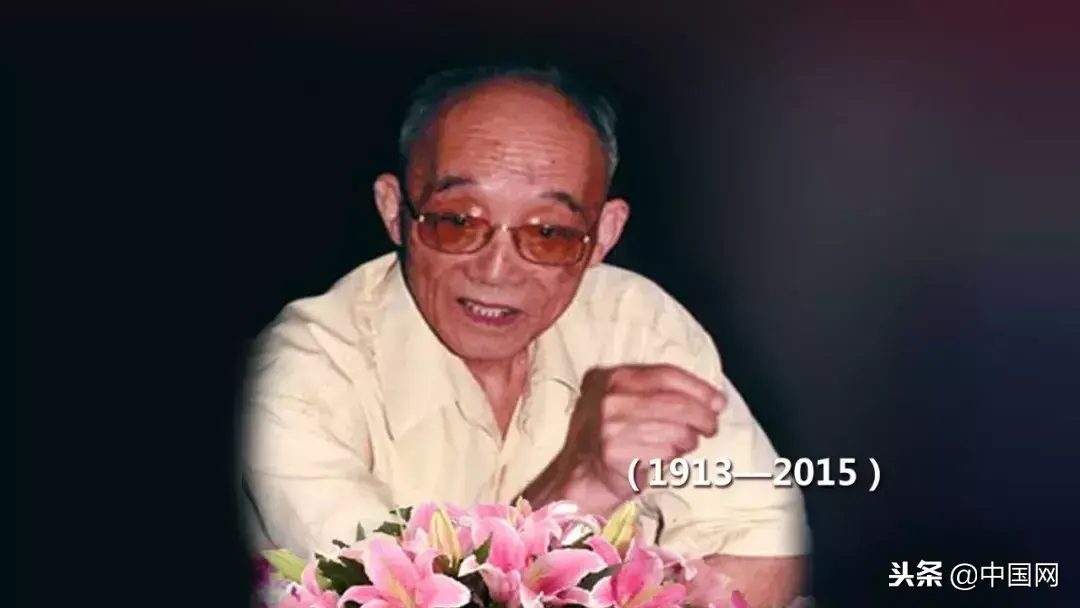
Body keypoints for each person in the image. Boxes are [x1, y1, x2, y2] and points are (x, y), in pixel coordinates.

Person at [243, 64, 809, 606]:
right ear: (395, 212)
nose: (496, 272)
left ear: (603, 235)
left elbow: (766, 545)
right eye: (457, 221)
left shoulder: (635, 324)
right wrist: (579, 486)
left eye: (549, 233)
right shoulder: (297, 378)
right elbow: (397, 600)